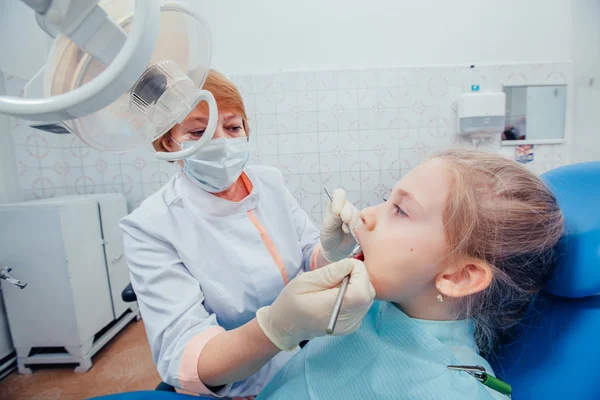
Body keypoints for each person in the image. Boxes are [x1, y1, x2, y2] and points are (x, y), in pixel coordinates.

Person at [119, 69, 374, 399]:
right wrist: (275, 329)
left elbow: (309, 255)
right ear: (169, 142)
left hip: (306, 357)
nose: (221, 142)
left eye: (232, 126)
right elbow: (182, 354)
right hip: (240, 385)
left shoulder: (269, 182)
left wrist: (329, 251)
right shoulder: (150, 226)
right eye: (199, 131)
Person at [256, 149, 564, 399]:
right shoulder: (368, 305)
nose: (365, 214)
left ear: (460, 276)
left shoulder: (457, 389)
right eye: (388, 199)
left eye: (401, 210)